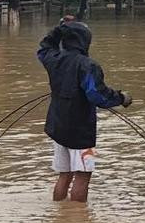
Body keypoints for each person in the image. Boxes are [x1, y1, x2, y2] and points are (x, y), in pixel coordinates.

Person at [37, 17, 132, 203]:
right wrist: (121, 98)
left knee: (64, 175)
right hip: (80, 131)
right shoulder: (88, 65)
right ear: (84, 41)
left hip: (58, 127)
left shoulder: (54, 59)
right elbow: (97, 95)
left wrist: (60, 28)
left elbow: (43, 48)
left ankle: (60, 215)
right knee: (82, 175)